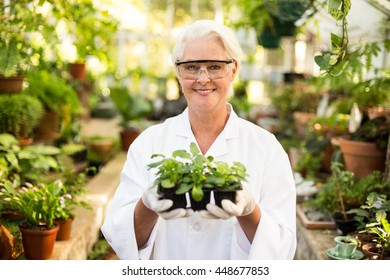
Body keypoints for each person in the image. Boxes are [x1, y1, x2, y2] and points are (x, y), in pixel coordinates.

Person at [101, 19, 296, 260]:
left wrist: (249, 210)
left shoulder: (267, 149)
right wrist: (148, 206)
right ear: (178, 72)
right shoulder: (148, 144)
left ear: (233, 70)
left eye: (214, 66)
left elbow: (282, 247)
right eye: (192, 67)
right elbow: (122, 240)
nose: (203, 78)